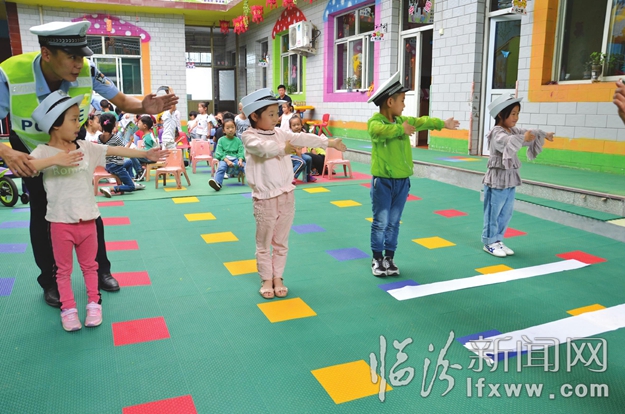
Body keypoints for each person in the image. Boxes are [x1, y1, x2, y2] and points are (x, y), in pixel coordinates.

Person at [0, 20, 178, 306]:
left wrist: (144, 107)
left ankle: (100, 270)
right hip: (30, 149)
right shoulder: (10, 73)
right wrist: (6, 152)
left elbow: (123, 101)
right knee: (42, 212)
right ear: (46, 54)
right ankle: (51, 281)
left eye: (81, 56)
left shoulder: (87, 70)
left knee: (86, 206)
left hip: (74, 141)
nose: (78, 64)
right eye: (72, 56)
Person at [29, 91, 166, 330]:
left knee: (90, 267)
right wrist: (54, 160)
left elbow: (114, 151)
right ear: (55, 123)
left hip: (88, 221)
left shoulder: (85, 148)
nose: (78, 124)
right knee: (63, 270)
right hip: (59, 223)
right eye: (73, 119)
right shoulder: (42, 151)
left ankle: (94, 303)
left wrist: (145, 154)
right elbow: (26, 168)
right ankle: (68, 309)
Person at [240, 88, 347, 299]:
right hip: (265, 197)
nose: (276, 118)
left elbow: (301, 137)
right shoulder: (248, 136)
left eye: (277, 113)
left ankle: (278, 277)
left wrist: (328, 142)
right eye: (271, 114)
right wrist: (284, 149)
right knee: (264, 243)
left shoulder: (280, 133)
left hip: (287, 194)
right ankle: (266, 278)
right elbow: (264, 149)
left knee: (281, 241)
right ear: (254, 116)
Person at [367, 71, 459, 277]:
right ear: (390, 102)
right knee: (380, 222)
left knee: (394, 222)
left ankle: (389, 258)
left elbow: (421, 121)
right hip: (383, 182)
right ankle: (377, 259)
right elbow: (378, 131)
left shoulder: (403, 120)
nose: (404, 105)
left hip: (402, 182)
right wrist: (401, 130)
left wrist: (442, 124)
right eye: (402, 100)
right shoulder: (375, 122)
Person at [481, 94, 554, 257]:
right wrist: (523, 138)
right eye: (513, 113)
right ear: (501, 114)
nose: (516, 117)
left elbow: (528, 134)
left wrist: (544, 134)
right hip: (496, 179)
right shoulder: (496, 132)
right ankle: (489, 242)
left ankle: (498, 239)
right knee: (493, 211)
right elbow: (507, 141)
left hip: (510, 179)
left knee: (506, 212)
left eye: (517, 113)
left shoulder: (512, 131)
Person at [98, 112, 145, 196]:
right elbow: (124, 150)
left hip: (107, 165)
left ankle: (132, 181)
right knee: (131, 187)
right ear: (113, 125)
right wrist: (130, 141)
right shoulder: (115, 138)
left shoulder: (99, 138)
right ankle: (111, 188)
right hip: (117, 166)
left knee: (129, 162)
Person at [208, 118, 245, 191]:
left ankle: (255, 183)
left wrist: (240, 160)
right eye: (227, 128)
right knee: (221, 167)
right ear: (224, 130)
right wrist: (227, 161)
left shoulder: (238, 140)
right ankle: (218, 184)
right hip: (224, 159)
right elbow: (219, 153)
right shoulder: (221, 140)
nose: (230, 130)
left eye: (232, 127)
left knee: (246, 166)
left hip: (236, 159)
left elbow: (241, 151)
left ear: (235, 129)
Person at [288, 116, 316, 183]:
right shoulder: (290, 136)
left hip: (297, 154)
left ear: (301, 125)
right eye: (294, 125)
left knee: (308, 158)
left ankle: (307, 176)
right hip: (290, 156)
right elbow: (296, 150)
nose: (296, 127)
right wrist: (300, 157)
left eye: (298, 124)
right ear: (290, 127)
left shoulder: (302, 135)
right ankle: (291, 177)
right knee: (302, 162)